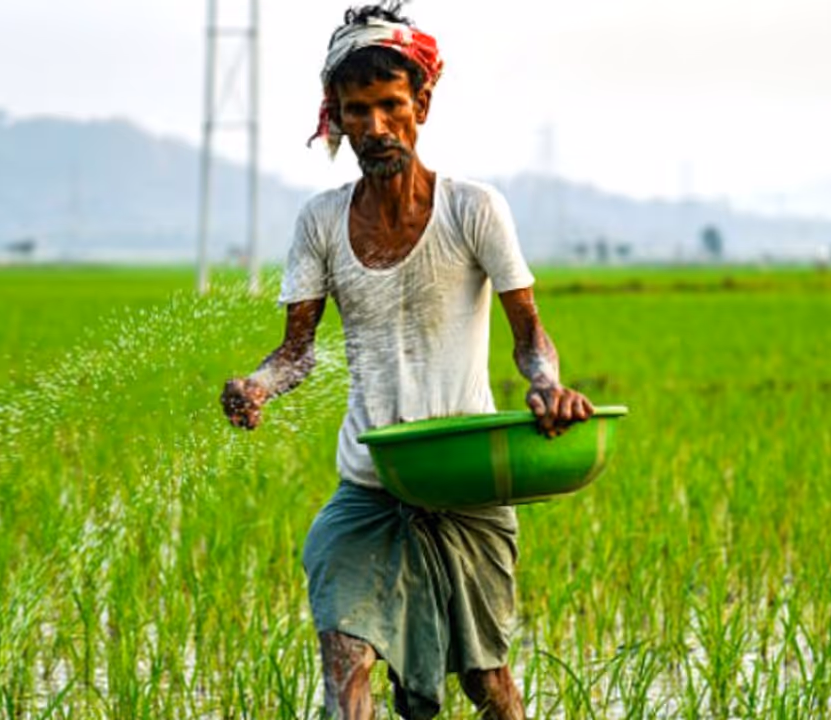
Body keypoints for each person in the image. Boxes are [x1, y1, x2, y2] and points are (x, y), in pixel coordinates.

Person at [220, 3, 594, 718]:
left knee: (487, 681)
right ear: (337, 114)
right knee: (346, 667)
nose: (376, 127)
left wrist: (546, 385)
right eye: (357, 110)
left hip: (466, 483)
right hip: (371, 483)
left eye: (391, 105)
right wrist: (258, 385)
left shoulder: (473, 210)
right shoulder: (321, 222)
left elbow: (529, 338)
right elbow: (296, 354)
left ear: (422, 101)